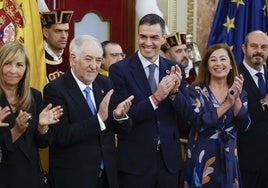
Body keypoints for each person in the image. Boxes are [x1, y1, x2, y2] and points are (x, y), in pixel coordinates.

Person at [109, 13, 193, 188]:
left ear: (163, 39)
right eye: (143, 37)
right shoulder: (120, 70)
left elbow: (188, 114)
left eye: (154, 37)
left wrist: (174, 94)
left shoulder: (174, 69)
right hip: (135, 164)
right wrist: (156, 98)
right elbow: (124, 117)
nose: (148, 43)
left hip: (169, 163)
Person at [43, 35, 134, 188]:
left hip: (108, 178)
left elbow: (123, 129)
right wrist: (98, 120)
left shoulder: (106, 84)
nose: (94, 66)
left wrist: (120, 117)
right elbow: (61, 136)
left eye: (98, 60)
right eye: (88, 59)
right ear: (73, 59)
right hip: (75, 178)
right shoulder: (55, 90)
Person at [183, 43, 251, 188]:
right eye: (213, 60)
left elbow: (245, 125)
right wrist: (227, 104)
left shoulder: (240, 91)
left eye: (223, 59)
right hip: (202, 157)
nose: (218, 63)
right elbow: (198, 123)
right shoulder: (195, 91)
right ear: (206, 65)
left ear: (231, 64)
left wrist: (236, 98)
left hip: (229, 158)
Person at [0, 41, 63, 188]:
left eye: (19, 65)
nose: (13, 70)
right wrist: (15, 131)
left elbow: (42, 144)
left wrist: (42, 127)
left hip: (31, 178)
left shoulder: (34, 96)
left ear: (26, 68)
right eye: (7, 64)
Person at [237, 30, 268, 188]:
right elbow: (237, 118)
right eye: (254, 46)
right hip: (247, 162)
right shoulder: (233, 76)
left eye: (264, 47)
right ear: (244, 48)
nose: (259, 51)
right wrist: (264, 102)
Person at [40, 9, 73, 82]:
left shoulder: (70, 62)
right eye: (58, 31)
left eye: (66, 31)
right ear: (45, 32)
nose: (64, 36)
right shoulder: (36, 61)